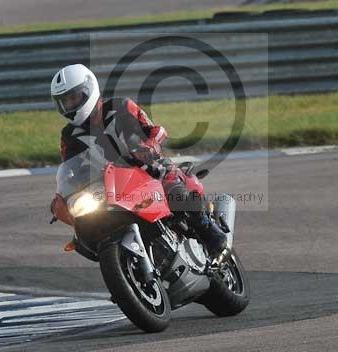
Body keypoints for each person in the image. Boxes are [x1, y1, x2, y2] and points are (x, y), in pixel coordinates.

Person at [49, 64, 227, 257]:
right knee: (84, 233)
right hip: (109, 186)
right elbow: (71, 168)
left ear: (89, 90)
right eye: (65, 101)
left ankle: (208, 229)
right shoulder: (69, 136)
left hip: (147, 168)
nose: (70, 105)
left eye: (74, 97)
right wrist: (63, 197)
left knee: (175, 191)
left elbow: (152, 130)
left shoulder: (121, 107)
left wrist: (147, 146)